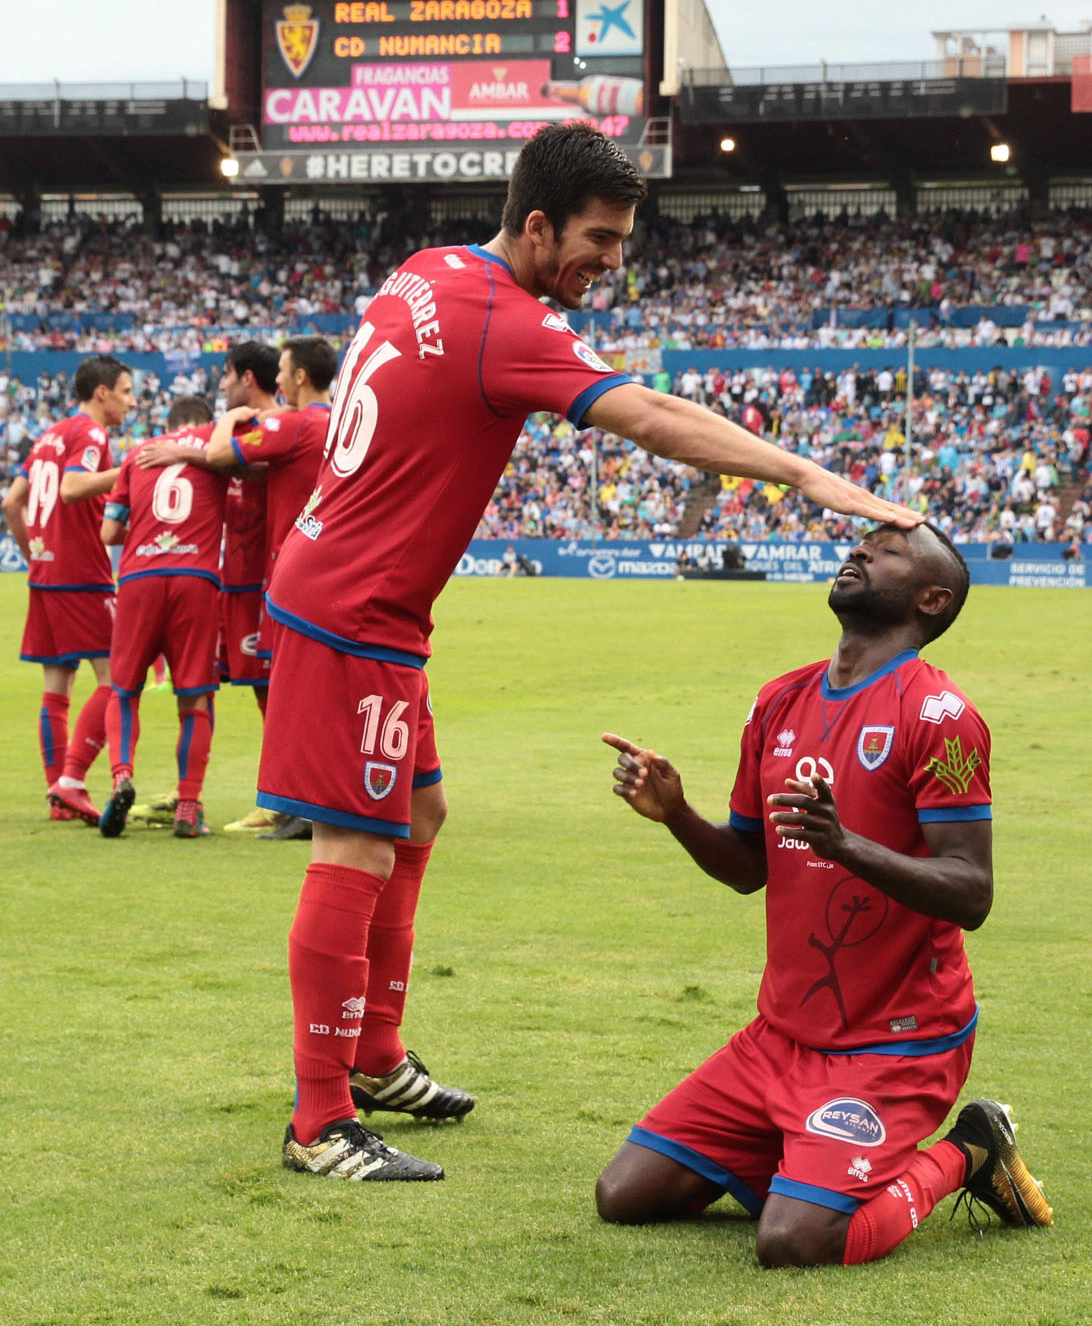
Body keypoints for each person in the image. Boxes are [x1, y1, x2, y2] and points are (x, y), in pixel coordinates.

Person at [259, 122, 922, 1184]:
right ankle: (321, 1120)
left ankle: (376, 1056)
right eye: (600, 239)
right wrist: (808, 477)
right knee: (356, 847)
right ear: (534, 225)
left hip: (356, 591)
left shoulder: (429, 270)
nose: (614, 261)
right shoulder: (506, 318)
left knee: (418, 814)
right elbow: (649, 417)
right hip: (353, 611)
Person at [597, 522, 1052, 1267]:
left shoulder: (941, 717)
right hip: (782, 1037)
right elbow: (748, 866)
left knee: (795, 1240)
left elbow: (972, 892)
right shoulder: (780, 700)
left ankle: (970, 1152)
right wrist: (677, 814)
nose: (863, 550)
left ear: (931, 601)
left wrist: (846, 846)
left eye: (891, 551)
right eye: (866, 541)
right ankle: (811, 1153)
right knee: (623, 1196)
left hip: (897, 1044)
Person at [137, 342, 278, 831]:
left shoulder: (274, 429)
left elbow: (243, 464)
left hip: (259, 585)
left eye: (226, 375)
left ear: (246, 378)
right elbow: (220, 460)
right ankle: (186, 795)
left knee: (269, 691)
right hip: (221, 580)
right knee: (199, 684)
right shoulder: (229, 432)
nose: (221, 385)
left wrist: (184, 451)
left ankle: (283, 800)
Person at [205, 336, 337, 840]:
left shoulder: (295, 422)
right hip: (336, 567)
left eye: (284, 371)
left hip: (292, 571)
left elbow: (219, 453)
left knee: (290, 690)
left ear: (300, 376)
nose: (279, 380)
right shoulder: (347, 421)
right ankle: (315, 801)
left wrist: (228, 422)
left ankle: (301, 805)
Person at [2, 356, 134, 823]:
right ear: (102, 392)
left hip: (45, 574)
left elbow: (12, 501)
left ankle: (59, 793)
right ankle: (71, 783)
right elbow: (73, 487)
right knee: (116, 679)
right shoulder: (91, 434)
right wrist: (130, 469)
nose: (132, 401)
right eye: (125, 390)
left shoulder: (47, 436)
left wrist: (36, 553)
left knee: (57, 685)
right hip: (82, 574)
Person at [97, 398, 228, 839]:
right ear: (202, 421)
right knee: (195, 698)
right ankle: (188, 808)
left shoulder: (139, 453)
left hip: (139, 578)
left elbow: (108, 532)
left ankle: (121, 778)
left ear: (169, 425)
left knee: (124, 690)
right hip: (197, 579)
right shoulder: (215, 444)